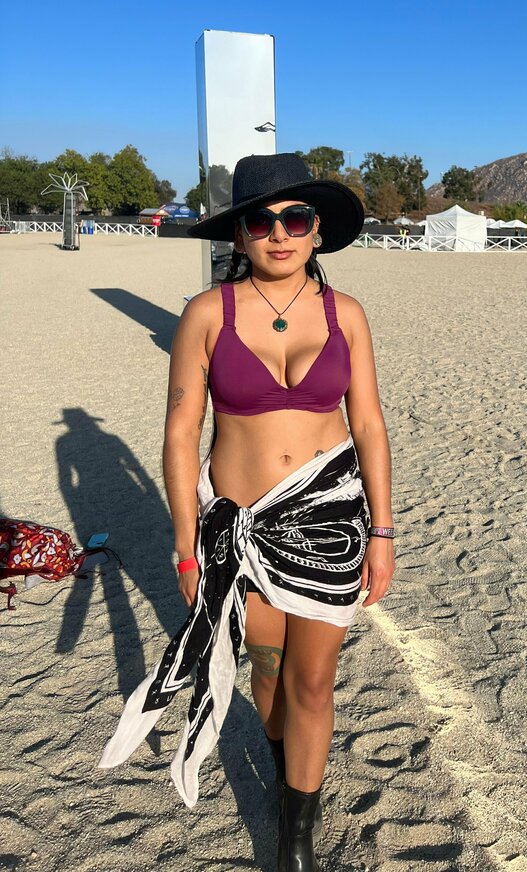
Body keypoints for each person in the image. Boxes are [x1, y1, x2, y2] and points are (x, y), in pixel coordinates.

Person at [99, 154, 395, 872]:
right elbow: (180, 433)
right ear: (239, 235)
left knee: (313, 680)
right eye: (261, 222)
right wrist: (185, 546)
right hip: (242, 532)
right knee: (267, 671)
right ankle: (284, 762)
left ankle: (295, 838)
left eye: (295, 218)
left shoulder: (348, 314)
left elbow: (369, 424)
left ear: (317, 230)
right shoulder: (208, 314)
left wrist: (383, 531)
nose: (279, 234)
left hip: (330, 525)